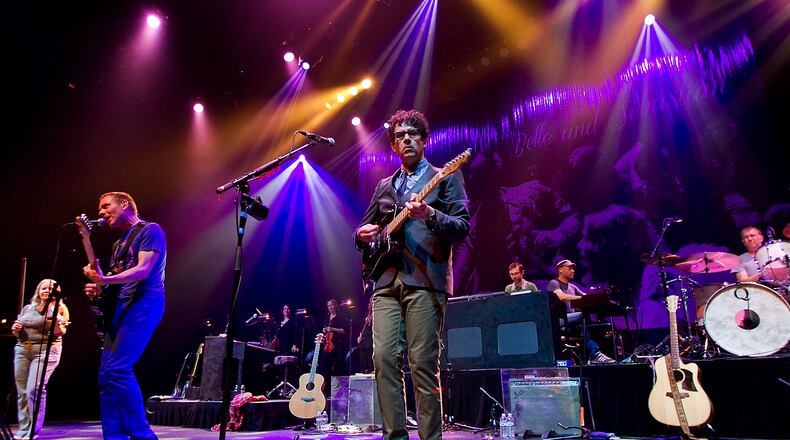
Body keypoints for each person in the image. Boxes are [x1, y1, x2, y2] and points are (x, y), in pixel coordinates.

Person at [355, 109, 470, 440]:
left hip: (425, 281)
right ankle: (395, 437)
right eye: (399, 136)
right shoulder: (383, 186)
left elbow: (462, 226)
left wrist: (430, 213)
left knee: (421, 364)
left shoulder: (446, 176)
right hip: (386, 281)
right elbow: (369, 231)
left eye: (412, 134)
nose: (405, 139)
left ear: (424, 140)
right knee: (383, 360)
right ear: (393, 145)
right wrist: (360, 235)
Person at [83, 191, 166, 440]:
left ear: (125, 204)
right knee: (106, 375)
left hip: (144, 303)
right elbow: (112, 283)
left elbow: (143, 270)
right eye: (99, 209)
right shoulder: (117, 245)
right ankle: (115, 436)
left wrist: (105, 279)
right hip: (121, 306)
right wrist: (98, 287)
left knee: (118, 369)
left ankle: (143, 435)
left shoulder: (150, 230)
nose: (101, 212)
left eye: (106, 206)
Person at [12, 279, 70, 439]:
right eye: (43, 288)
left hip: (46, 350)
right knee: (22, 392)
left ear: (56, 292)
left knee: (33, 389)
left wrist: (54, 317)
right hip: (23, 349)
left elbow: (59, 333)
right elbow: (18, 332)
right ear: (38, 290)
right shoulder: (27, 308)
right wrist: (15, 329)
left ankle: (33, 430)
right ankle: (23, 429)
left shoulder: (60, 309)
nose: (46, 290)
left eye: (50, 288)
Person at [546, 260, 615, 364]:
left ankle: (598, 353)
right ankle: (594, 354)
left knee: (595, 322)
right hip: (558, 321)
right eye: (569, 268)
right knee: (580, 316)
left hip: (570, 320)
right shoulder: (554, 283)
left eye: (573, 268)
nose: (573, 270)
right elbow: (561, 296)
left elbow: (586, 298)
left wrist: (602, 299)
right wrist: (580, 298)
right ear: (560, 270)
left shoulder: (572, 286)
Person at [317, 299, 348, 395]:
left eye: (331, 305)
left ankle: (335, 392)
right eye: (328, 306)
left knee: (336, 369)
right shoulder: (327, 317)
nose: (330, 307)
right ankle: (324, 390)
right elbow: (325, 329)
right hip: (326, 345)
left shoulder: (340, 317)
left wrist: (332, 329)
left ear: (335, 306)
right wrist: (324, 330)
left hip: (336, 345)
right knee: (324, 368)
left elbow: (343, 331)